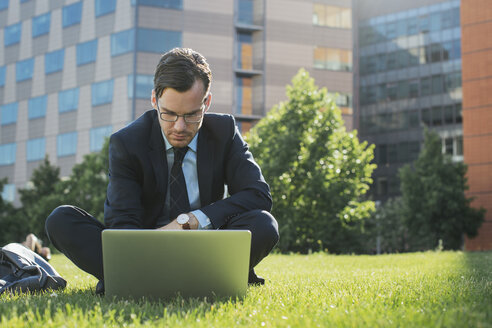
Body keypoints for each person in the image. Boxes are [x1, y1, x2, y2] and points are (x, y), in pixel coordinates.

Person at [45, 47, 279, 294]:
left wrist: (191, 221)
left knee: (264, 224)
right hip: (143, 250)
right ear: (154, 100)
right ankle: (196, 279)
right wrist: (155, 243)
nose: (179, 127)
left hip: (205, 246)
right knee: (61, 220)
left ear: (206, 103)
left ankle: (139, 280)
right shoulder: (127, 142)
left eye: (191, 115)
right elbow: (122, 224)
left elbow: (258, 195)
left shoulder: (224, 131)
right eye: (169, 114)